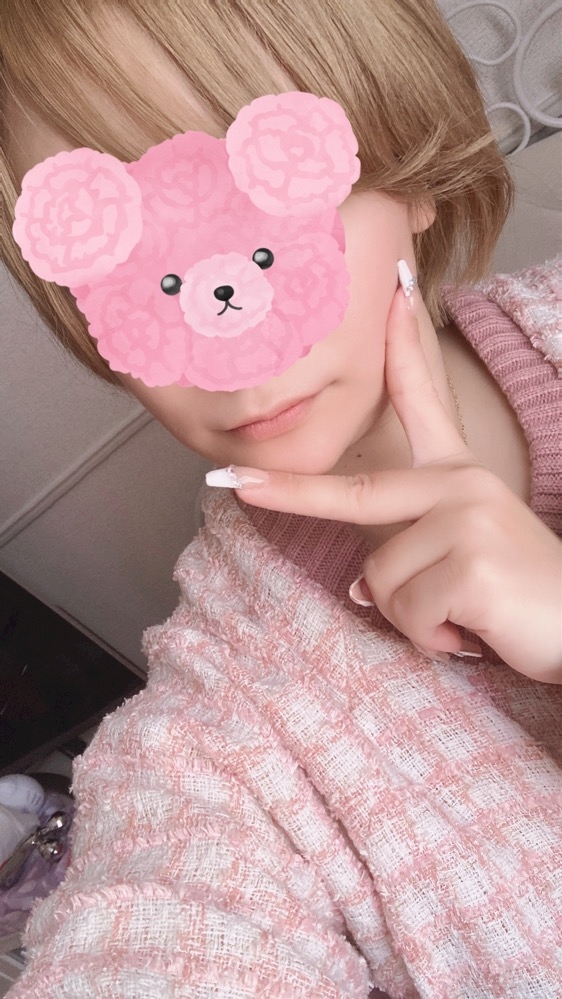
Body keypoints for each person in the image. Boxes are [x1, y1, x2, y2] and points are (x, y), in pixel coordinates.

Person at [1, 1, 560, 996]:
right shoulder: (211, 733)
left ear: (408, 176)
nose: (232, 343)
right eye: (123, 257)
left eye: (265, 200)